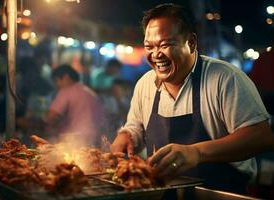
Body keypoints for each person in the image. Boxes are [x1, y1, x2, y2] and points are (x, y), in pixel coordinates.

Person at [111, 3, 274, 194]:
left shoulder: (224, 78)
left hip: (218, 194)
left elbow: (261, 136)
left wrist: (196, 152)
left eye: (165, 45)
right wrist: (127, 136)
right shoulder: (145, 84)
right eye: (149, 46)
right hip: (164, 194)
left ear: (191, 43)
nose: (156, 55)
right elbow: (136, 125)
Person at [44, 64, 105, 146]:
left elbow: (51, 116)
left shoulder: (66, 91)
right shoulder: (90, 93)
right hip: (96, 140)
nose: (56, 85)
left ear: (66, 77)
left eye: (56, 81)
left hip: (74, 142)